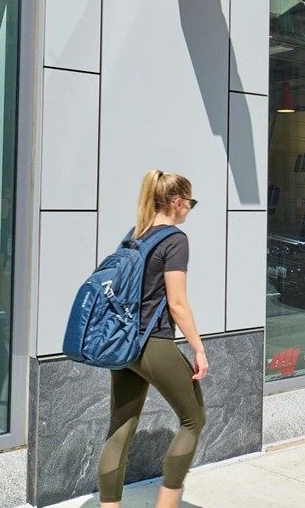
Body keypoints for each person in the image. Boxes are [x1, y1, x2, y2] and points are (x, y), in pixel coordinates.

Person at [97, 170, 209, 508]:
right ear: (177, 202)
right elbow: (177, 303)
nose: (190, 208)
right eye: (190, 201)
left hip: (124, 345)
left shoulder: (136, 235)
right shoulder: (175, 240)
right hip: (155, 343)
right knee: (194, 419)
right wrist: (199, 349)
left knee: (121, 426)